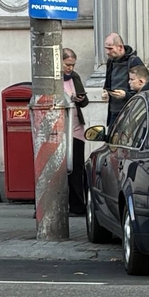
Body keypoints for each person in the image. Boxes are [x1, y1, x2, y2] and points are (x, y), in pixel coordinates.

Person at [61, 46, 90, 220]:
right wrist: (70, 99)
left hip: (76, 126)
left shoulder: (75, 77)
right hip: (60, 128)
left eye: (72, 65)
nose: (70, 68)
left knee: (77, 167)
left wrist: (80, 98)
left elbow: (84, 101)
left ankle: (78, 205)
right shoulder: (53, 79)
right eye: (67, 64)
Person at [101, 33, 148, 110]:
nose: (107, 52)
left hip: (129, 110)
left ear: (120, 47)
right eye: (106, 48)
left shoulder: (134, 61)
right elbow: (108, 84)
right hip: (113, 110)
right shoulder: (110, 61)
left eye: (110, 48)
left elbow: (145, 86)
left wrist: (126, 95)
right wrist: (106, 92)